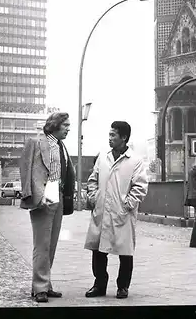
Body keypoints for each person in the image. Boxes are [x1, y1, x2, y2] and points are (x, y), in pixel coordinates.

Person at [84, 121, 148, 299]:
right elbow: (92, 180)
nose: (110, 138)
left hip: (122, 213)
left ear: (124, 137)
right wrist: (94, 197)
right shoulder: (103, 158)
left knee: (125, 251)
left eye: (113, 135)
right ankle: (99, 284)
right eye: (109, 134)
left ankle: (123, 286)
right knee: (98, 250)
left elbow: (140, 186)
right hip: (102, 210)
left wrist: (127, 204)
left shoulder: (135, 161)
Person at [19, 112, 75, 303]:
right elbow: (26, 170)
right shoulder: (36, 142)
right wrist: (36, 196)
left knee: (51, 245)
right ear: (55, 125)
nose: (68, 128)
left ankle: (45, 284)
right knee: (41, 245)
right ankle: (39, 288)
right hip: (43, 197)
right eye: (65, 125)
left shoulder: (62, 146)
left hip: (58, 196)